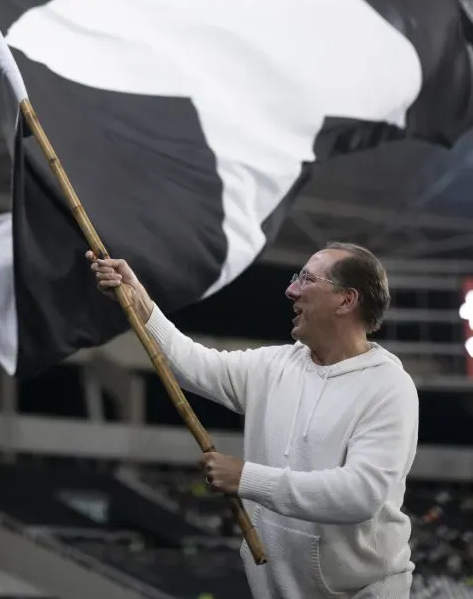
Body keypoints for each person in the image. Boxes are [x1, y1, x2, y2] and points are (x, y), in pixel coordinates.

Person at [90, 242, 419, 599]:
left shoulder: (389, 386)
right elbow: (193, 364)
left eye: (306, 280)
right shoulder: (275, 366)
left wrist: (246, 478)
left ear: (346, 300)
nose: (290, 290)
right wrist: (140, 302)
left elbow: (360, 494)